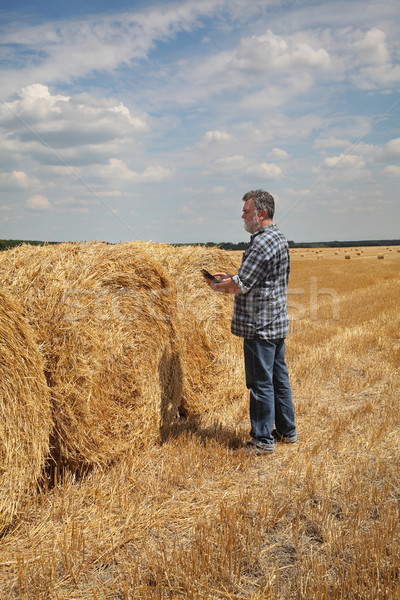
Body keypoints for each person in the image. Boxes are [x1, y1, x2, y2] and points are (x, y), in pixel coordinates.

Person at [203, 189, 296, 455]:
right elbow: (258, 279)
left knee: (259, 383)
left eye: (246, 211)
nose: (242, 215)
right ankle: (287, 431)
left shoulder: (261, 242)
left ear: (261, 214)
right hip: (276, 322)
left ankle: (262, 441)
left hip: (260, 326)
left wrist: (217, 285)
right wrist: (232, 276)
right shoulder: (277, 237)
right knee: (279, 379)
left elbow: (241, 286)